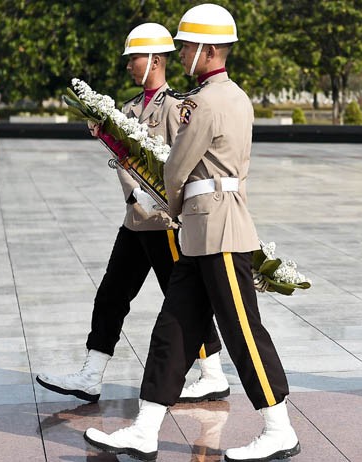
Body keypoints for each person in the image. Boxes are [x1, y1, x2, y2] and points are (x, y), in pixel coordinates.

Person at [84, 5, 301, 462]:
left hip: (217, 232)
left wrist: (166, 201)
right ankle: (145, 429)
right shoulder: (236, 97)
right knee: (174, 330)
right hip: (206, 233)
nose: (181, 53)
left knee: (242, 332)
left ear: (208, 49)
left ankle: (279, 428)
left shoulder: (202, 103)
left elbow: (176, 167)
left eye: (185, 46)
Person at [35, 23, 230, 405]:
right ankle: (91, 374)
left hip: (165, 224)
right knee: (111, 295)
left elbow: (184, 162)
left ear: (155, 60)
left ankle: (212, 374)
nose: (128, 65)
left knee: (184, 300)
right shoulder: (126, 109)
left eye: (134, 58)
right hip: (135, 221)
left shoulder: (177, 107)